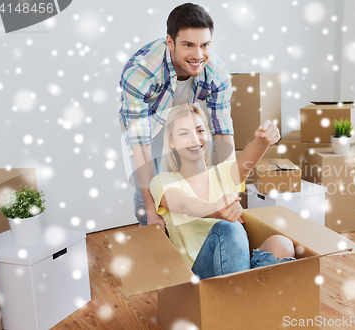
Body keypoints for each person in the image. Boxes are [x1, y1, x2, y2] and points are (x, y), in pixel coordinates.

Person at [119, 3, 235, 229]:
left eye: (205, 45)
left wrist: (229, 197)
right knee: (150, 196)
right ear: (170, 42)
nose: (198, 55)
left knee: (188, 183)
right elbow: (140, 146)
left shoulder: (217, 72)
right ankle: (151, 233)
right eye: (188, 45)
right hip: (147, 129)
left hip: (182, 121)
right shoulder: (140, 72)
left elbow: (223, 132)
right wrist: (151, 212)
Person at [150, 104, 295, 279]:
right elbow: (184, 203)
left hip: (234, 269)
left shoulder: (223, 174)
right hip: (197, 279)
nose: (195, 139)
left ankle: (246, 296)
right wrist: (214, 209)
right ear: (171, 142)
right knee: (228, 227)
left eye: (200, 130)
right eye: (184, 133)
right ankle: (244, 295)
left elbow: (246, 161)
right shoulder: (162, 181)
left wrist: (264, 139)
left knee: (281, 244)